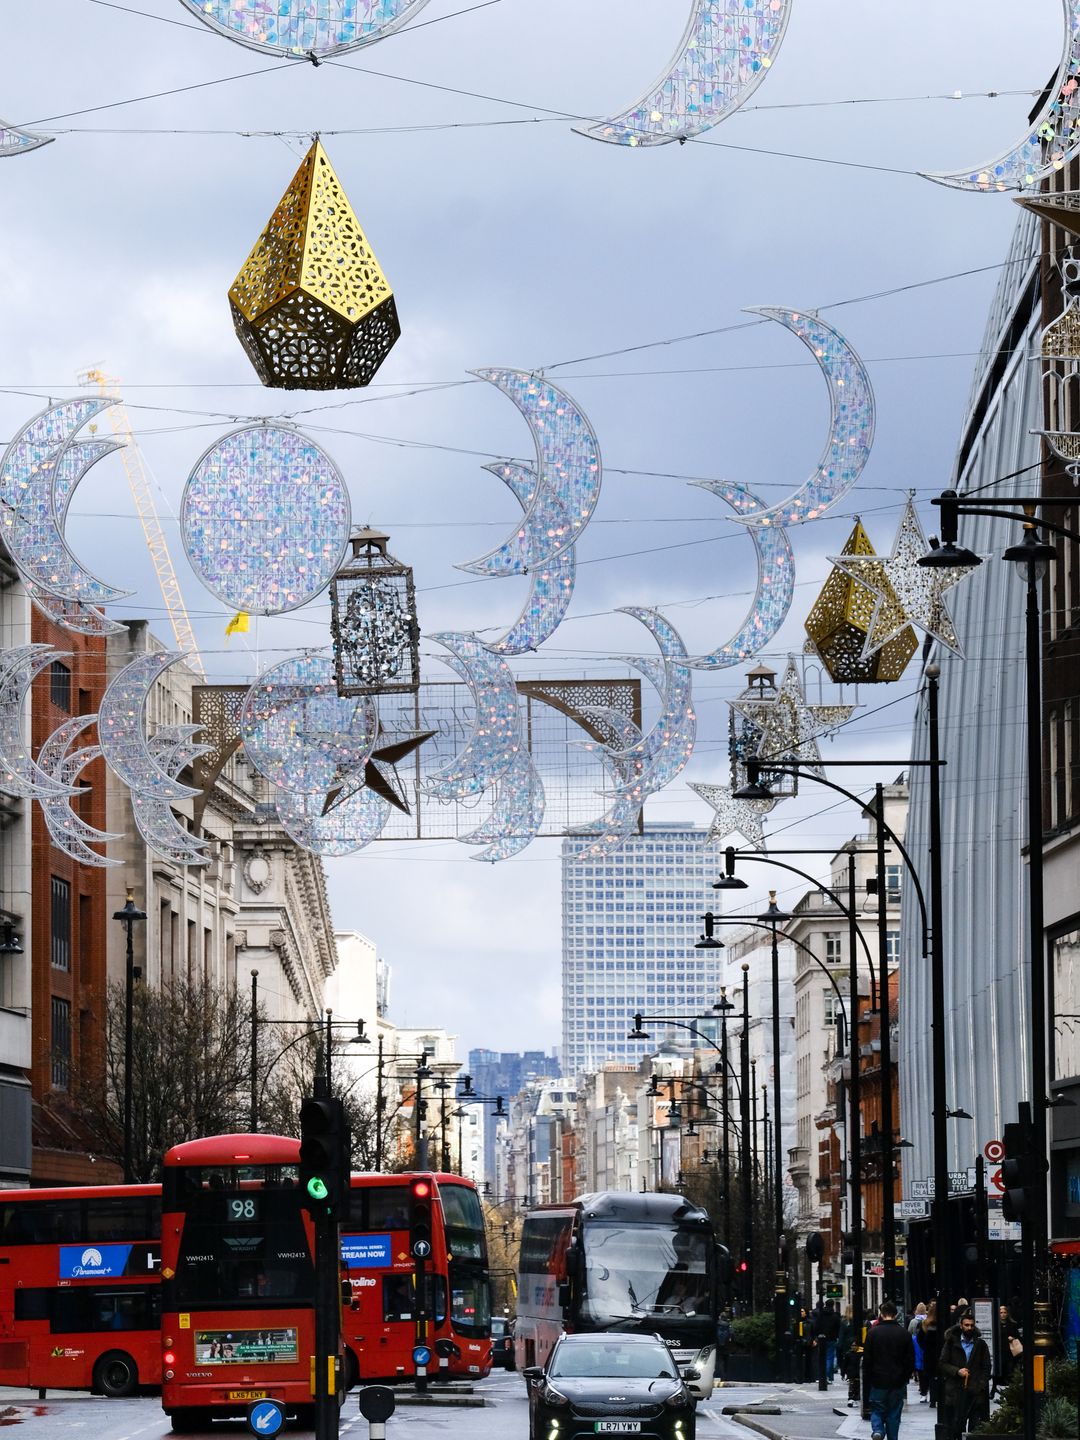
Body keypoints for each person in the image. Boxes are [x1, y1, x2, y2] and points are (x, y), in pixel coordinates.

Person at [862, 1299, 915, 1440]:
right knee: (894, 1413)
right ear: (896, 1314)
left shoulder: (873, 1333)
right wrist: (905, 1377)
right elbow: (910, 1360)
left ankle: (878, 1430)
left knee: (877, 1409)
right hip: (897, 1380)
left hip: (878, 1379)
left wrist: (867, 1379)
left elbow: (867, 1360)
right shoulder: (904, 1334)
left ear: (881, 1314)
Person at [938, 1308, 992, 1438]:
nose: (969, 1328)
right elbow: (942, 1363)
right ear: (961, 1326)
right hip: (956, 1390)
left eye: (972, 1325)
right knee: (956, 1426)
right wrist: (957, 1371)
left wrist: (981, 1385)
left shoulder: (980, 1344)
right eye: (966, 1325)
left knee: (975, 1427)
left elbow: (986, 1367)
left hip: (975, 1391)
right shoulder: (951, 1343)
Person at [920, 1301, 941, 1408]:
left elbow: (920, 1339)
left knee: (932, 1377)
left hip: (929, 1355)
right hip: (940, 1354)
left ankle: (933, 1400)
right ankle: (940, 1398)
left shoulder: (925, 1324)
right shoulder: (943, 1324)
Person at [997, 1304, 1021, 1387]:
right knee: (1001, 1366)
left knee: (1010, 1367)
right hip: (1000, 1350)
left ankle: (1009, 1383)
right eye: (1001, 1312)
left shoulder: (1012, 1324)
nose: (1003, 1314)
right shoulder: (996, 1325)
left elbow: (1018, 1337)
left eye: (1004, 1312)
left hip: (1010, 1350)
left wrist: (1013, 1337)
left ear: (1007, 1313)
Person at [819, 1300, 841, 1383]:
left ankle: (823, 1376)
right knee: (830, 1358)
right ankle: (829, 1376)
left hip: (821, 1339)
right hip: (832, 1339)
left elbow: (817, 1325)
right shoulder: (835, 1316)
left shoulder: (821, 1315)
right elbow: (838, 1327)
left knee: (822, 1357)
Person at [715, 1309, 732, 1382]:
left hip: (718, 1345)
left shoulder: (717, 1325)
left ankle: (721, 1376)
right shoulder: (728, 1326)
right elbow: (732, 1334)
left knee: (720, 1361)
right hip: (727, 1345)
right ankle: (725, 1376)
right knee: (726, 1361)